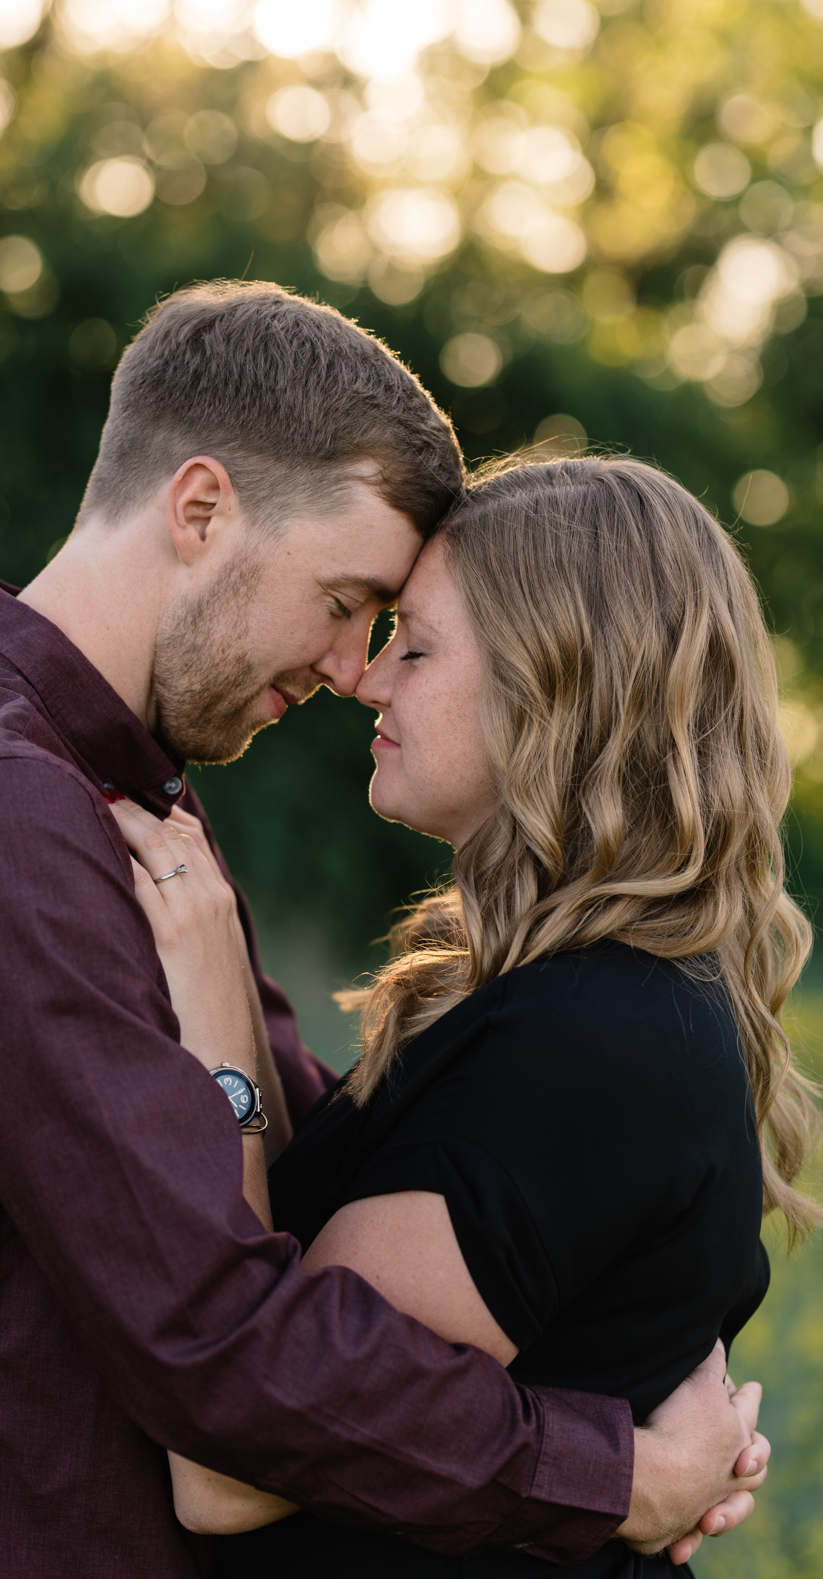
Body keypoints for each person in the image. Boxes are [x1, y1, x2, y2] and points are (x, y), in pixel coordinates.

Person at [0, 287, 766, 1579]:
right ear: (198, 511)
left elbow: (306, 1195)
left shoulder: (117, 792)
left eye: (390, 628)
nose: (353, 668)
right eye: (347, 602)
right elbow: (223, 1342)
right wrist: (608, 1472)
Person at [115, 453, 819, 1576]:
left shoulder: (592, 1038)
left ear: (555, 689)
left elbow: (234, 1467)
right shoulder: (578, 998)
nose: (368, 678)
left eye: (417, 644)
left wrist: (217, 1046)